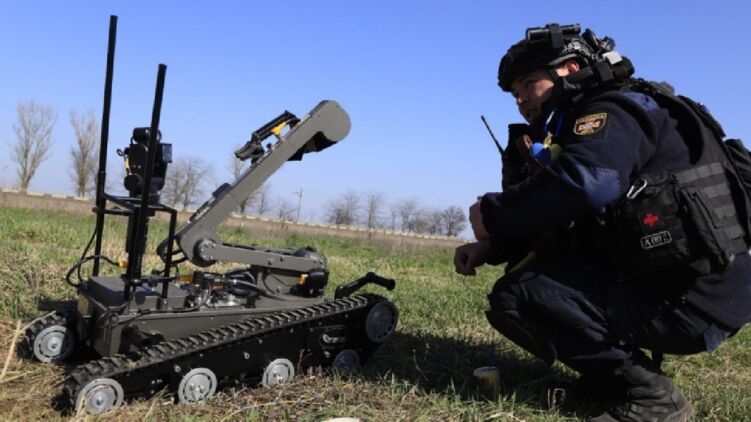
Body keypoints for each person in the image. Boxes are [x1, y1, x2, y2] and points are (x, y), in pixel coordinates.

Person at [454, 23, 751, 422]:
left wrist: (492, 213)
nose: (521, 99)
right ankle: (608, 382)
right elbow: (572, 222)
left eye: (528, 84)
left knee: (520, 294)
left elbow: (588, 185)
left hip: (691, 298)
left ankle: (654, 399)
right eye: (514, 93)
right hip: (693, 287)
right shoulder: (620, 113)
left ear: (571, 69)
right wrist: (494, 246)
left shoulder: (613, 111)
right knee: (533, 275)